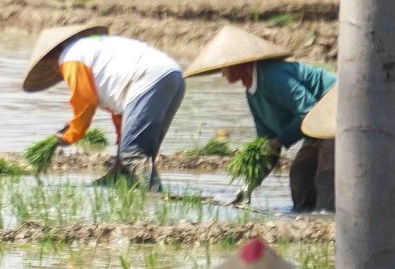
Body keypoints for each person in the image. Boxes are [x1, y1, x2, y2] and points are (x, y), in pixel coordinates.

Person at [184, 24, 336, 211]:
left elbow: (308, 109)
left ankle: (328, 220)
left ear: (240, 64)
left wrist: (279, 141)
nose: (222, 73)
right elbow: (267, 142)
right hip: (317, 126)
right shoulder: (252, 92)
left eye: (225, 67)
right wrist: (249, 186)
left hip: (335, 108)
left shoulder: (272, 76)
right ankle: (305, 219)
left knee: (327, 173)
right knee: (300, 173)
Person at [21, 24, 185, 191]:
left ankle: (155, 198)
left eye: (50, 65)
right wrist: (117, 166)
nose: (56, 70)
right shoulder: (93, 51)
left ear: (50, 58)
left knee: (133, 153)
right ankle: (126, 181)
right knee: (143, 150)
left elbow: (84, 100)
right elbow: (122, 115)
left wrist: (71, 135)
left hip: (149, 78)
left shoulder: (71, 57)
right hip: (173, 75)